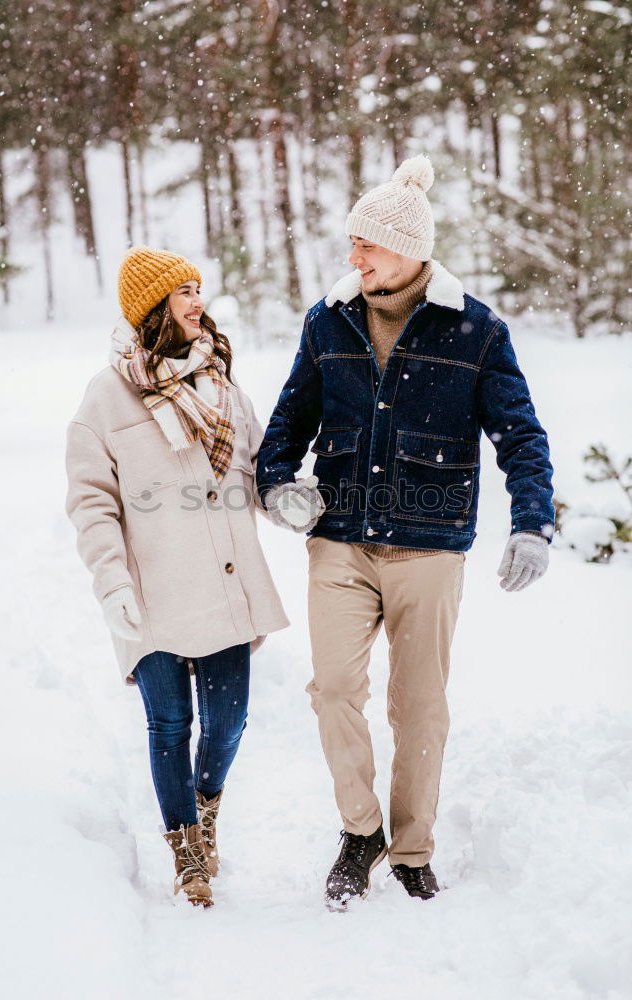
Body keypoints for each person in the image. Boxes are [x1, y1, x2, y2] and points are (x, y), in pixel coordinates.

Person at [256, 155, 554, 908]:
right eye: (352, 244)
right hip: (342, 538)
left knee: (419, 705)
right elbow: (291, 417)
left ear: (411, 251)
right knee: (332, 691)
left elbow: (519, 434)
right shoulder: (330, 319)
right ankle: (360, 832)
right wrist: (276, 484)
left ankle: (412, 848)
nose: (353, 258)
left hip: (428, 543)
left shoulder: (475, 329)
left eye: (369, 246)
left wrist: (533, 524)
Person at [65, 246, 289, 907]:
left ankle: (204, 802)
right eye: (182, 291)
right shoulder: (105, 398)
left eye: (198, 288)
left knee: (229, 722)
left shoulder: (222, 388)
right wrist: (112, 585)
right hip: (152, 592)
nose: (198, 300)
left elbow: (251, 477)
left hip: (222, 586)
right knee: (170, 724)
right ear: (151, 309)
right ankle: (186, 848)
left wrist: (288, 501)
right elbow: (91, 501)